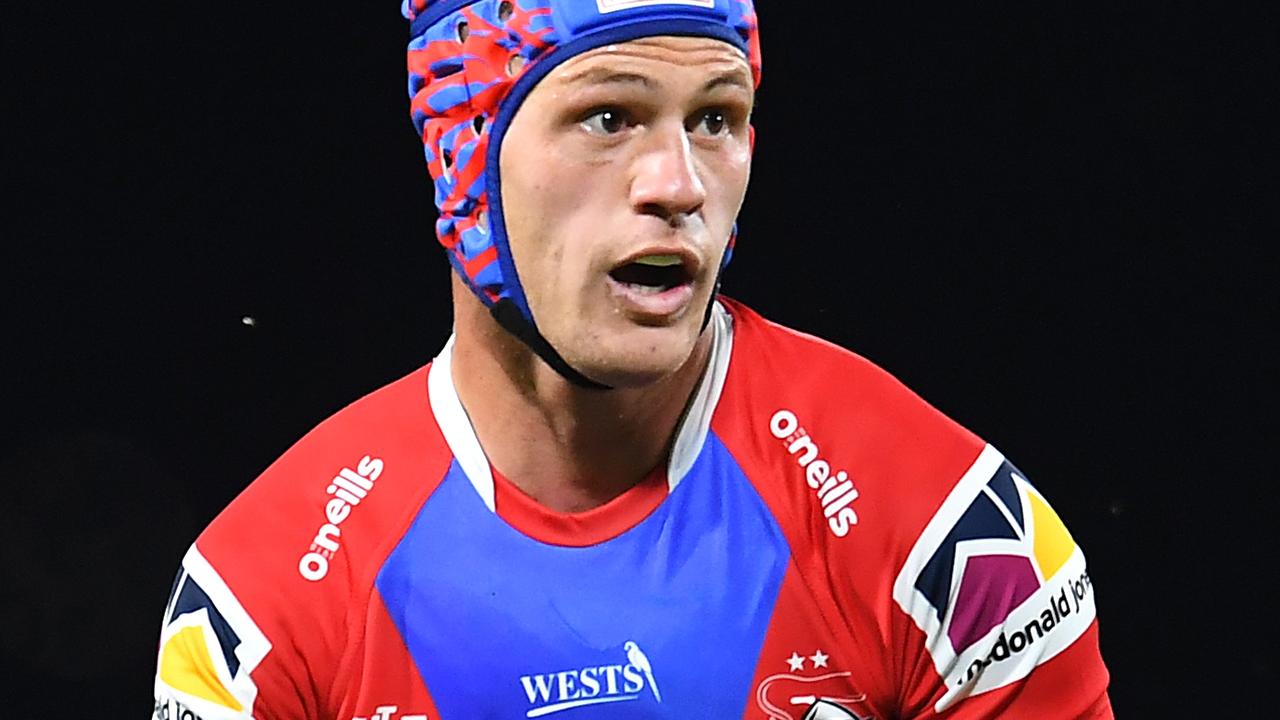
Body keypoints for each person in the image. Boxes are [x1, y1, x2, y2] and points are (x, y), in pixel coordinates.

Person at [151, 1, 1112, 718]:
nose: (679, 185)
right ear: (462, 157)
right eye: (610, 118)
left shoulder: (953, 538)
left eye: (716, 118)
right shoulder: (260, 606)